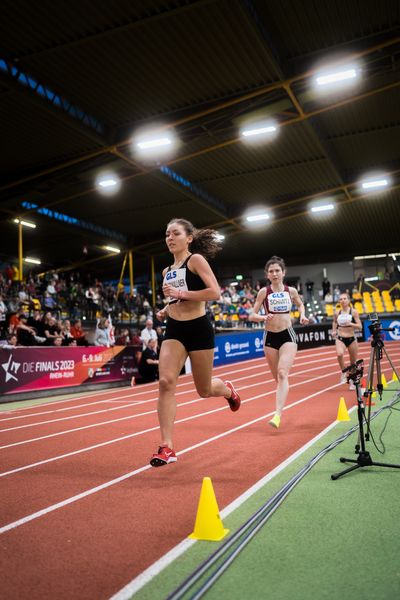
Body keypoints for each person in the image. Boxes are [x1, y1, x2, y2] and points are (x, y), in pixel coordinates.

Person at [150, 218, 241, 467]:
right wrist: (165, 310)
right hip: (175, 330)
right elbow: (175, 301)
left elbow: (215, 292)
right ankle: (167, 447)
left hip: (199, 329)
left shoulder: (196, 260)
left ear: (188, 238)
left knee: (204, 390)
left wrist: (181, 294)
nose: (169, 238)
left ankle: (227, 390)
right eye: (167, 234)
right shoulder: (166, 271)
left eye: (175, 233)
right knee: (166, 382)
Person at [249, 256, 309, 428]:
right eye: (271, 271)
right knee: (278, 378)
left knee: (283, 373)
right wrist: (262, 317)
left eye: (277, 270)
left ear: (283, 273)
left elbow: (300, 305)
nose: (274, 274)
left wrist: (302, 315)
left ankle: (277, 415)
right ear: (267, 275)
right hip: (269, 337)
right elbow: (252, 315)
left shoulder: (291, 291)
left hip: (287, 335)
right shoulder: (263, 292)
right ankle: (283, 396)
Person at [331, 292, 362, 390]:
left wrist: (351, 324)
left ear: (348, 300)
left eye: (345, 299)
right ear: (339, 301)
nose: (343, 300)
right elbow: (335, 322)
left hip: (352, 339)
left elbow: (360, 327)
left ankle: (352, 382)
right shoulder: (337, 312)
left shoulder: (354, 312)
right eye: (341, 299)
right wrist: (334, 330)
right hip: (341, 338)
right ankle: (344, 371)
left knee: (353, 362)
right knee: (339, 354)